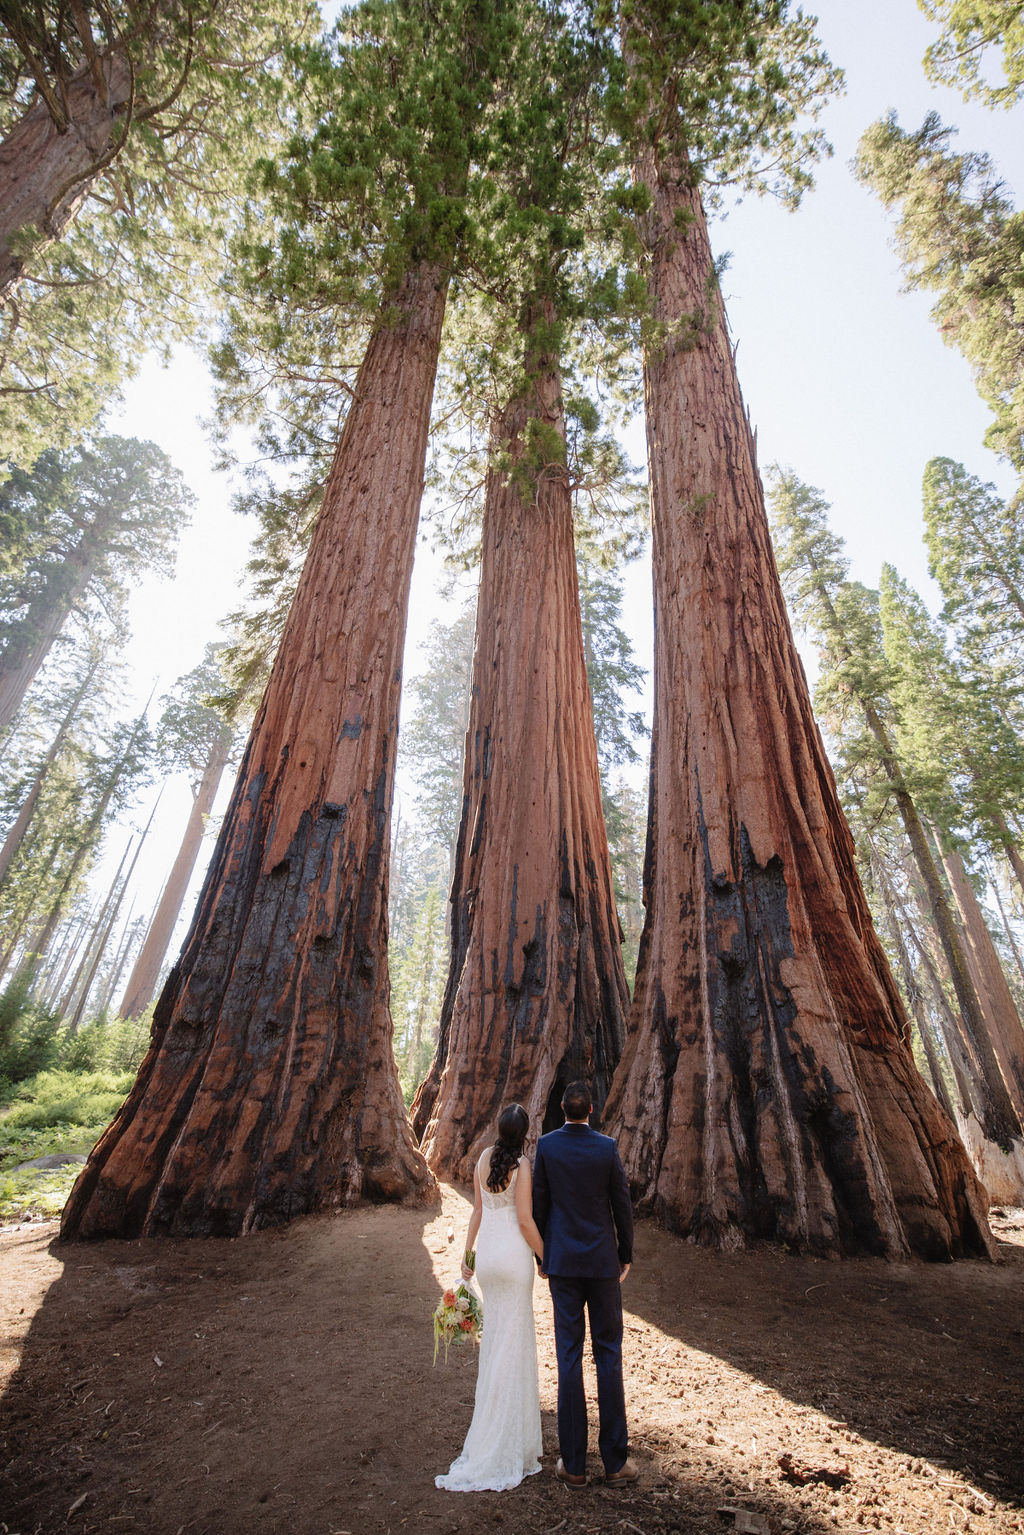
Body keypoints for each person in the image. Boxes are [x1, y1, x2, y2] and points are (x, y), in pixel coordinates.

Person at [532, 1079, 637, 1489]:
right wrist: (624, 1254)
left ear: (562, 1109)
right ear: (591, 1111)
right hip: (601, 1263)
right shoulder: (607, 1148)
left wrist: (543, 1256)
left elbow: (540, 1204)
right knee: (608, 1354)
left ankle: (573, 1465)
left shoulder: (548, 1147)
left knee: (569, 1356)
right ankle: (615, 1462)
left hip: (564, 1266)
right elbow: (621, 1204)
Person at [436, 1103, 546, 1492]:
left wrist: (468, 1255)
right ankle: (508, 1440)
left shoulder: (483, 1159)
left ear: (499, 1129)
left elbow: (478, 1211)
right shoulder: (523, 1166)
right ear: (524, 1133)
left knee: (496, 1344)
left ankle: (490, 1430)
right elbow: (524, 1220)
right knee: (514, 1348)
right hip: (514, 1262)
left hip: (487, 1262)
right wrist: (546, 1256)